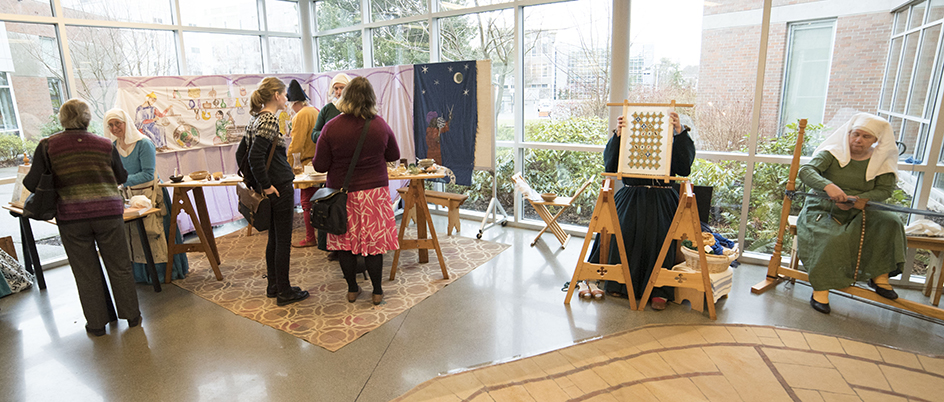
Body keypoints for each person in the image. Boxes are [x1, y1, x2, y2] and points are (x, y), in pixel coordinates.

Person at [24, 98, 141, 336]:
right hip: (108, 214)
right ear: (88, 119)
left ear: (62, 119)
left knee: (86, 272)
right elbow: (121, 177)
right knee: (120, 267)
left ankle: (97, 325)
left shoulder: (48, 145)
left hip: (72, 217)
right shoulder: (104, 145)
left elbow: (30, 182)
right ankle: (132, 316)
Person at [587, 111, 696, 310]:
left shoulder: (670, 140)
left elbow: (684, 169)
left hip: (662, 197)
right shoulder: (628, 139)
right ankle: (619, 283)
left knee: (660, 234)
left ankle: (658, 289)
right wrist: (619, 135)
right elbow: (610, 165)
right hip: (631, 194)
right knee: (622, 230)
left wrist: (679, 132)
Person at [798, 112, 904, 314]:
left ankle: (880, 277)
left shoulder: (881, 160)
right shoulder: (833, 153)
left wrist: (857, 200)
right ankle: (820, 289)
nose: (858, 140)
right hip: (823, 207)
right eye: (856, 134)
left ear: (875, 140)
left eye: (866, 137)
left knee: (891, 221)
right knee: (831, 237)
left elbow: (885, 190)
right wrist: (828, 186)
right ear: (848, 133)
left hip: (861, 209)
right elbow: (807, 171)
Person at [313, 76, 400, 306]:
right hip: (375, 194)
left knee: (345, 244)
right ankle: (378, 291)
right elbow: (393, 155)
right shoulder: (380, 125)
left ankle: (352, 289)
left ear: (345, 96)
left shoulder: (331, 127)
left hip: (343, 195)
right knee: (374, 246)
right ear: (371, 98)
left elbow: (319, 165)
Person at [238, 77, 310, 306]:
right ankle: (284, 291)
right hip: (279, 186)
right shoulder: (270, 119)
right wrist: (267, 185)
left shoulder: (255, 118)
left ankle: (274, 285)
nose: (287, 97)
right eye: (284, 93)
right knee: (283, 240)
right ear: (276, 95)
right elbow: (254, 156)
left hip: (273, 185)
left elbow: (241, 155)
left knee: (275, 238)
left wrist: (256, 182)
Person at [103, 108, 189, 284]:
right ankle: (142, 275)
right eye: (110, 125)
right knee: (135, 237)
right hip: (129, 198)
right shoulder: (113, 148)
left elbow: (148, 174)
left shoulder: (144, 143)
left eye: (117, 123)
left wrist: (119, 181)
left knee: (155, 235)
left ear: (126, 123)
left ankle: (164, 273)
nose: (114, 128)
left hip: (151, 196)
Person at [312, 72, 350, 261]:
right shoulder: (327, 110)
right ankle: (333, 246)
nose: (338, 91)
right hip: (332, 165)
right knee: (333, 206)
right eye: (335, 88)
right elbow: (314, 133)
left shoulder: (354, 109)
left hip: (351, 165)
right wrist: (327, 138)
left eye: (341, 87)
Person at [285, 79, 321, 248]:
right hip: (321, 162)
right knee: (321, 200)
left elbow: (296, 144)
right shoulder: (316, 111)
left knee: (306, 202)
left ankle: (310, 237)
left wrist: (289, 164)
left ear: (295, 103)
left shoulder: (300, 115)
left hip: (307, 163)